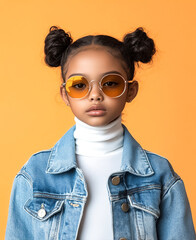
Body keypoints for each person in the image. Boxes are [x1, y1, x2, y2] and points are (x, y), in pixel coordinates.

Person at [5, 25, 195, 240]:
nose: (95, 95)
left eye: (111, 83)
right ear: (65, 94)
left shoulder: (160, 175)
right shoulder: (35, 174)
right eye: (79, 85)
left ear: (131, 91)